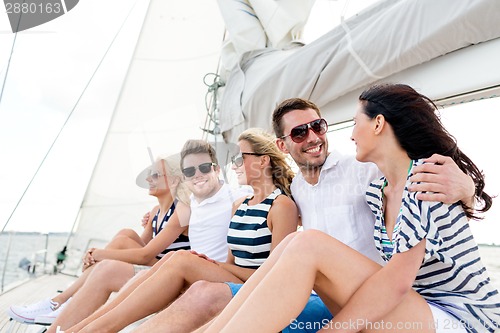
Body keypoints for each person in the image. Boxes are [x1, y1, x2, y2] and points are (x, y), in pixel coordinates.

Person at [131, 97, 477, 333]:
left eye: (319, 126)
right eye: (300, 132)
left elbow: (419, 184)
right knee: (203, 294)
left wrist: (467, 191)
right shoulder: (295, 191)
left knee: (302, 244)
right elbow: (237, 197)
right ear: (282, 145)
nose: (313, 137)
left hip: (377, 302)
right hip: (326, 295)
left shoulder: (365, 171)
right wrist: (167, 209)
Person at [66, 128, 299, 333]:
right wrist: (155, 216)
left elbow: (275, 275)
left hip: (258, 286)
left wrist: (211, 265)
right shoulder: (240, 205)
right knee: (171, 260)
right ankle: (82, 328)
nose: (235, 164)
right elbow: (232, 261)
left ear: (263, 161)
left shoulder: (281, 207)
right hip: (231, 277)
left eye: (240, 158)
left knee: (180, 259)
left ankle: (95, 329)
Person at [7, 154, 191, 326]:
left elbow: (144, 256)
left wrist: (98, 254)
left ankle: (60, 302)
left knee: (122, 242)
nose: (149, 179)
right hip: (156, 265)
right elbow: (141, 248)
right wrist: (102, 254)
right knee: (125, 234)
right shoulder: (155, 213)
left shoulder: (181, 210)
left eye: (156, 175)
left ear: (174, 181)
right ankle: (68, 300)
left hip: (169, 273)